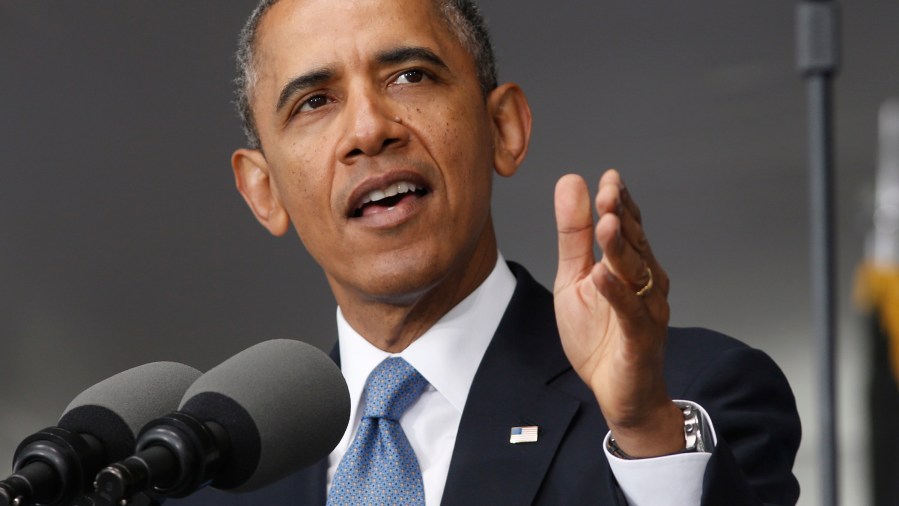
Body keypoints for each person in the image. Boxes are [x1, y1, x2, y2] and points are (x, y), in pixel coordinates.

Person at [173, 0, 801, 504]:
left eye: (410, 76)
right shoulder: (213, 474)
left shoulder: (687, 402)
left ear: (504, 128)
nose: (369, 130)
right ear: (263, 190)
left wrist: (645, 435)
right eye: (315, 102)